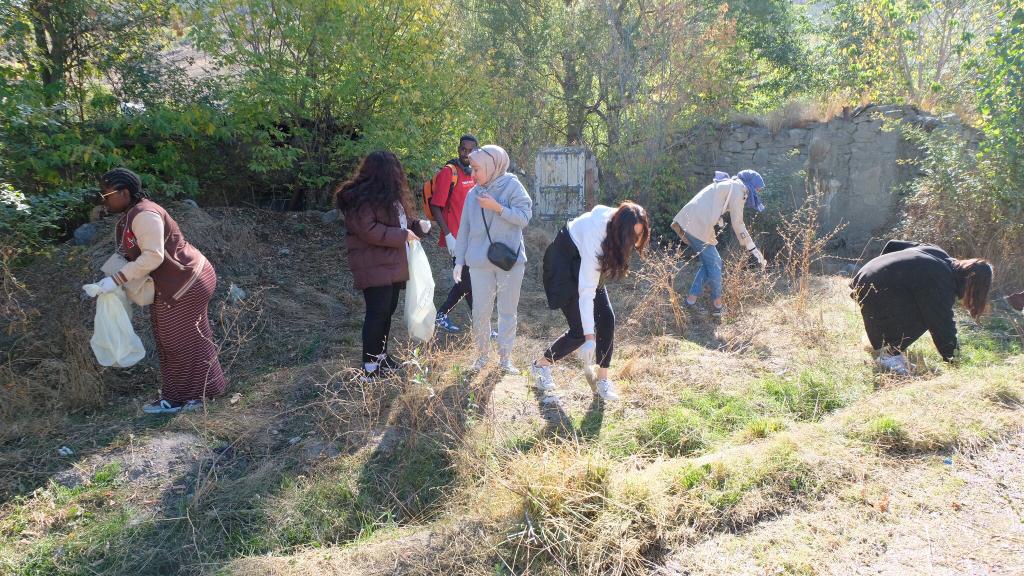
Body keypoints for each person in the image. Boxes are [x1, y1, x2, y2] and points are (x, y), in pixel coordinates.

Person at [86, 168, 226, 414]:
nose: (103, 200)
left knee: (178, 342)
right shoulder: (133, 214)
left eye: (106, 195)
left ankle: (192, 398)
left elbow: (153, 256)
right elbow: (132, 253)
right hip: (179, 280)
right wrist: (111, 277)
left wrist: (117, 278)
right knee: (175, 338)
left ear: (125, 193)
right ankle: (190, 394)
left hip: (186, 281)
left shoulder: (145, 214)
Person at [530, 202, 651, 402]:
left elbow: (593, 281)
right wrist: (589, 338)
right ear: (621, 231)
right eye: (633, 237)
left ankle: (602, 380)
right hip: (563, 263)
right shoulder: (597, 235)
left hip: (583, 260)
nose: (636, 241)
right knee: (580, 331)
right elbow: (586, 293)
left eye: (639, 235)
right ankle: (540, 366)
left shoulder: (618, 225)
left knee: (606, 319)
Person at [336, 151, 431, 378]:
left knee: (387, 312)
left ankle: (380, 357)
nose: (399, 174)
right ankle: (370, 366)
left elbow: (399, 225)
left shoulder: (387, 197)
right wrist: (402, 235)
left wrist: (417, 227)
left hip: (391, 265)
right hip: (373, 265)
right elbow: (369, 231)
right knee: (377, 313)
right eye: (395, 170)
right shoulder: (359, 198)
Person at [851, 240, 994, 374]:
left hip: (863, 276)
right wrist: (953, 360)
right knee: (928, 316)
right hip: (875, 288)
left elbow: (892, 244)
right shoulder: (941, 281)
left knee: (921, 305)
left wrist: (882, 273)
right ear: (972, 284)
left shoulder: (937, 252)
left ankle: (883, 342)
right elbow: (942, 325)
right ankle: (889, 356)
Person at [453, 145, 532, 373]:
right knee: (480, 312)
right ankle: (481, 356)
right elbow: (464, 229)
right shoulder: (472, 193)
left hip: (510, 261)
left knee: (507, 311)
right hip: (479, 262)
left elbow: (524, 217)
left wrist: (498, 208)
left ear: (491, 165)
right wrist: (459, 260)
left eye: (477, 169)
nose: (472, 174)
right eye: (471, 168)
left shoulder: (512, 186)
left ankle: (505, 359)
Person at [670, 170, 767, 316]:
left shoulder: (732, 185)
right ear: (751, 184)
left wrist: (718, 218)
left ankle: (690, 301)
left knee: (710, 263)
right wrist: (752, 247)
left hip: (692, 220)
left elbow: (713, 202)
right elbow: (738, 224)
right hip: (697, 224)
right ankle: (717, 306)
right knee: (715, 262)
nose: (758, 191)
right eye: (758, 187)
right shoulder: (740, 189)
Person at [429, 135, 478, 333]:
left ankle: (476, 322)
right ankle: (442, 315)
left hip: (474, 237)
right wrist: (448, 235)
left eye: (470, 150)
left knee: (468, 281)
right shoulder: (449, 173)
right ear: (458, 149)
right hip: (456, 238)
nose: (466, 154)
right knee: (467, 280)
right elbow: (435, 206)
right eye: (463, 150)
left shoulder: (474, 173)